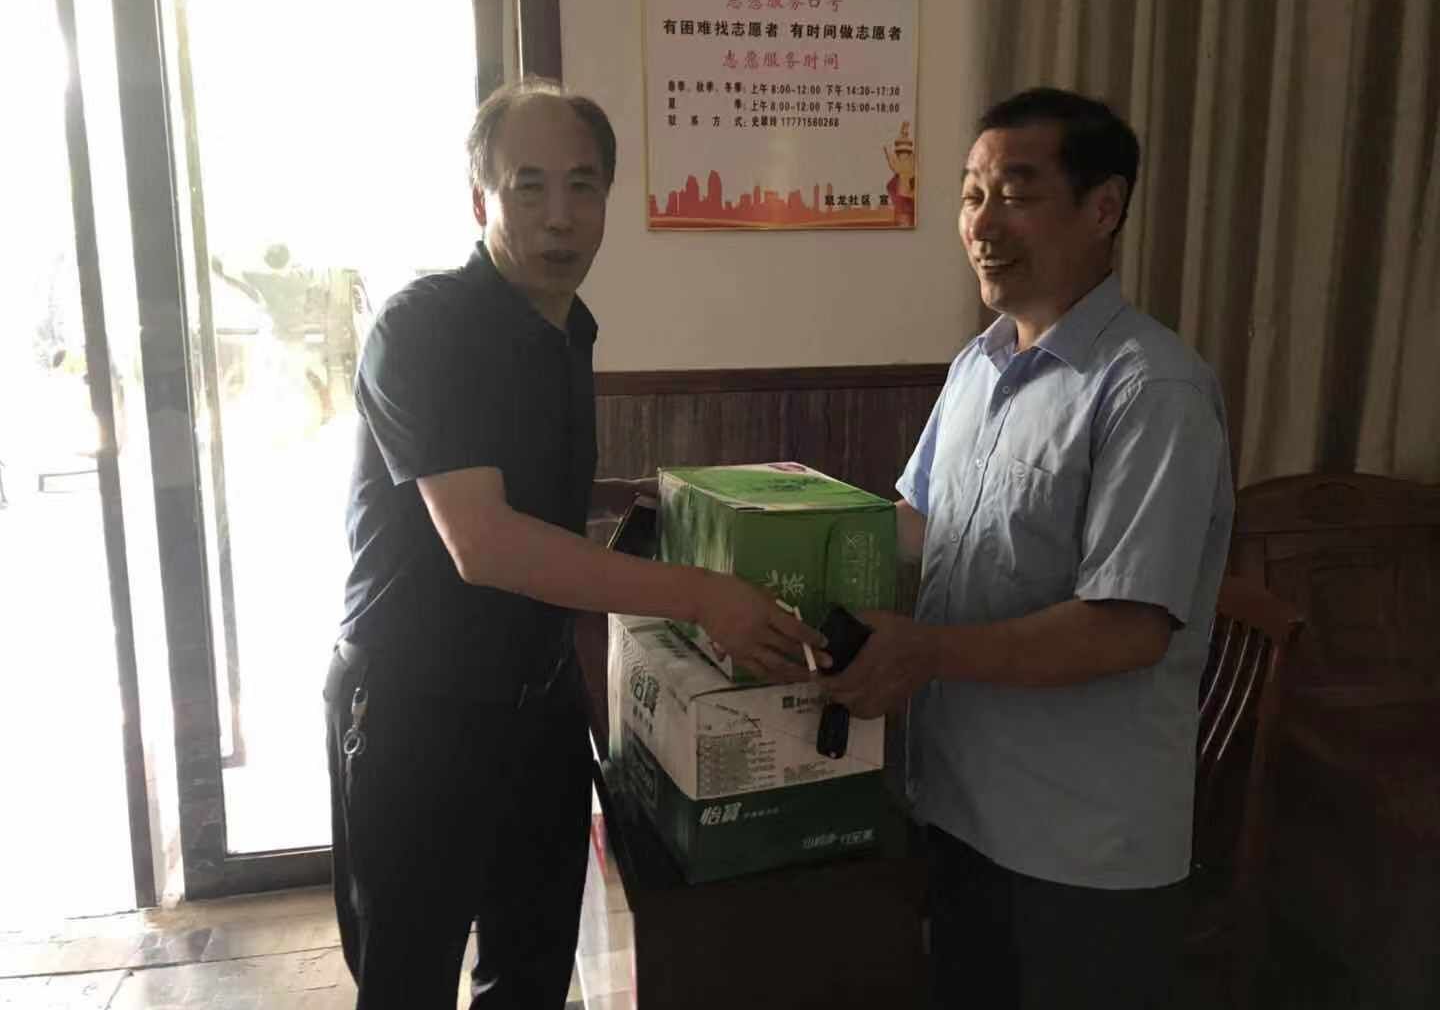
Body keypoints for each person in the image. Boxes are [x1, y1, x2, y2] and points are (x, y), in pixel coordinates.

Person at [326, 78, 822, 1010]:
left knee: (532, 966)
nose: (560, 216)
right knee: (406, 978)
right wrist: (701, 595)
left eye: (583, 186)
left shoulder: (566, 327)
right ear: (479, 199)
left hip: (537, 703)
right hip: (416, 708)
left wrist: (627, 495)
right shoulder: (423, 328)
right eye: (529, 186)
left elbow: (517, 484)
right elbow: (485, 542)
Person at [826, 87, 1234, 1009]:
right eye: (972, 195)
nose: (982, 224)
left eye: (1015, 193)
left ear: (1104, 208)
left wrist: (925, 652)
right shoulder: (977, 367)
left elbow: (1126, 627)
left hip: (1078, 846)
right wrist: (777, 544)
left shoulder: (1151, 389)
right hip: (955, 809)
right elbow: (917, 524)